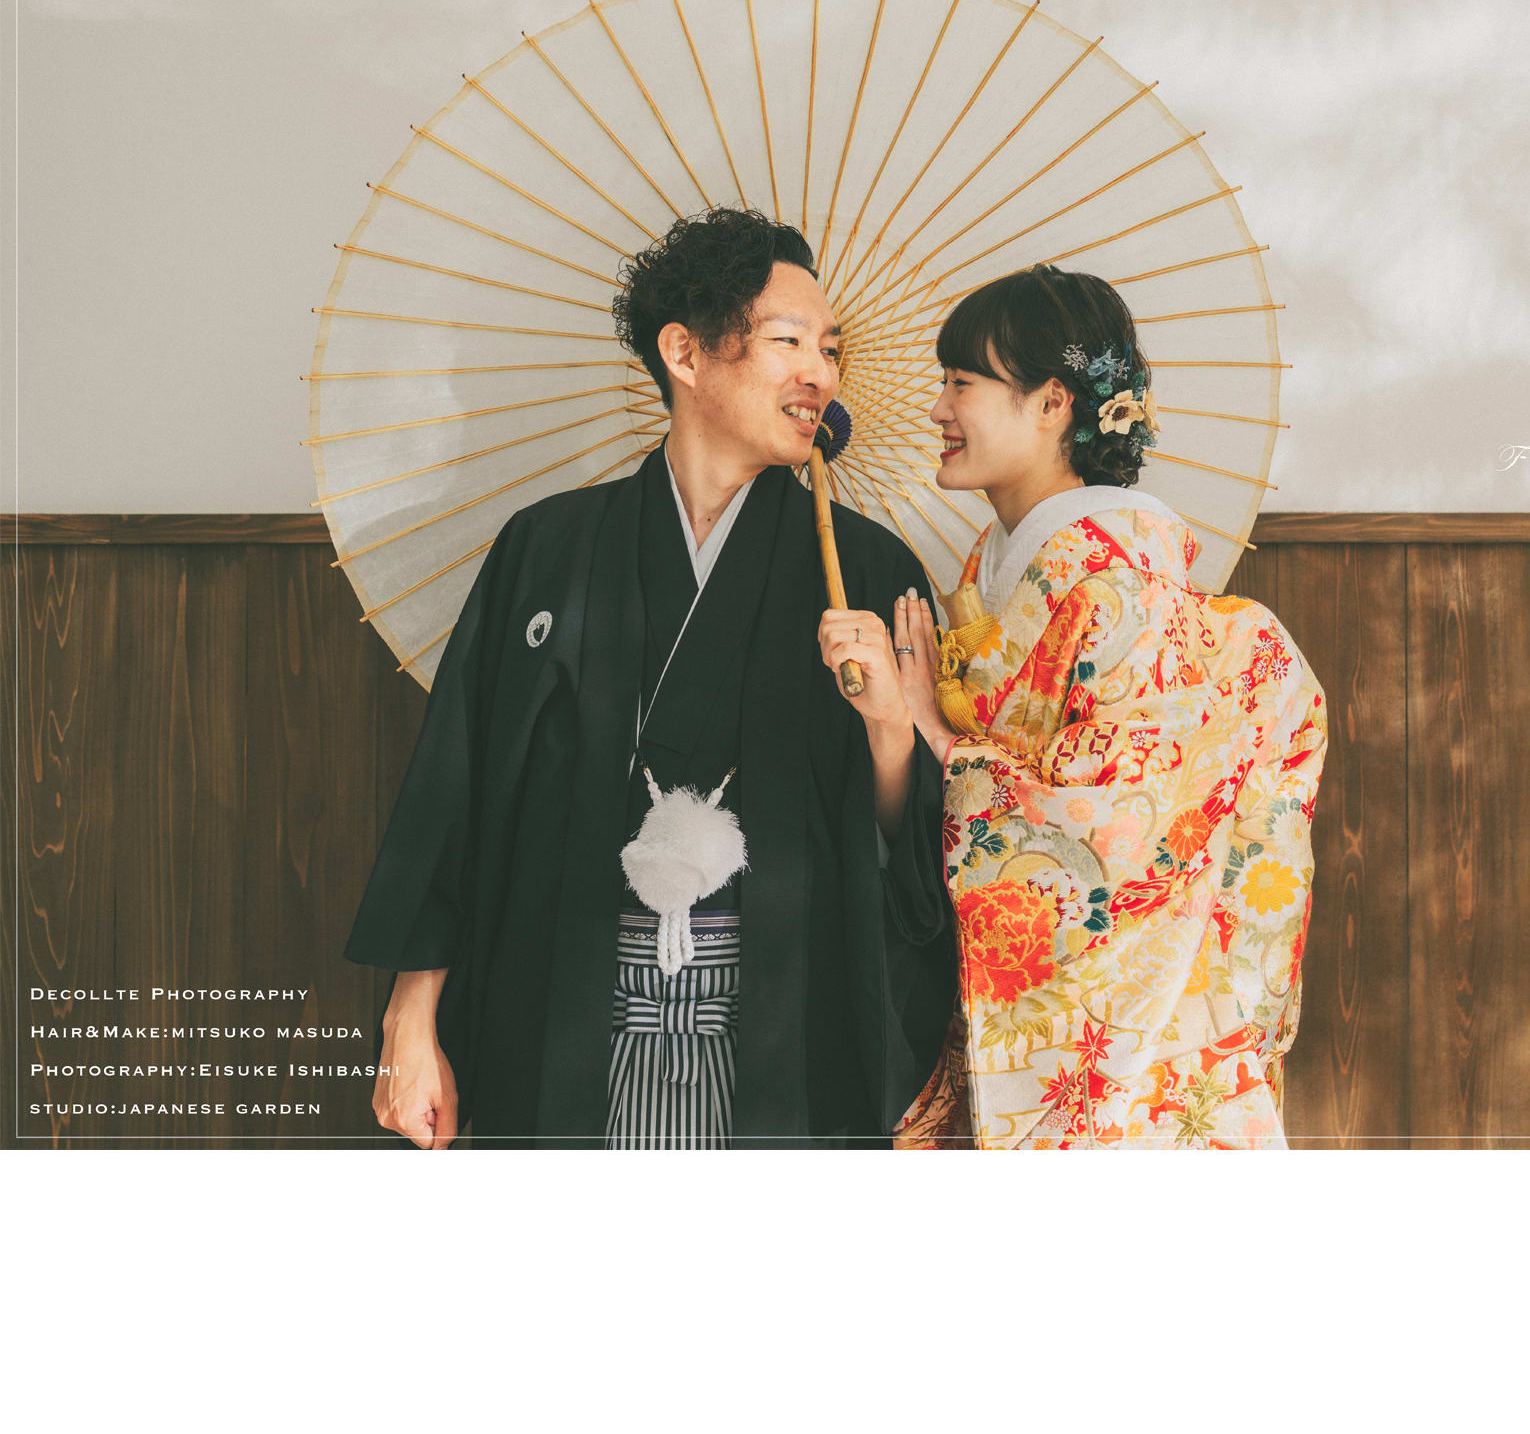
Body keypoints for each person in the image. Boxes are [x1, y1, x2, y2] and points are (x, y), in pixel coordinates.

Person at [343, 206, 956, 1149]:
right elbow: (458, 793)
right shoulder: (547, 550)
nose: (821, 374)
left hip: (783, 1029)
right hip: (564, 1006)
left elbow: (913, 846)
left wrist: (886, 728)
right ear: (685, 353)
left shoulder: (869, 572)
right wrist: (410, 1015)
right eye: (789, 341)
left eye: (830, 350)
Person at [891, 263, 1325, 1149]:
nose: (938, 408)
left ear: (1052, 404)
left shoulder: (1126, 584)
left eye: (962, 383)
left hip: (1131, 1028)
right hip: (1018, 1002)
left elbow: (1125, 825)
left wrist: (938, 738)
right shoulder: (999, 563)